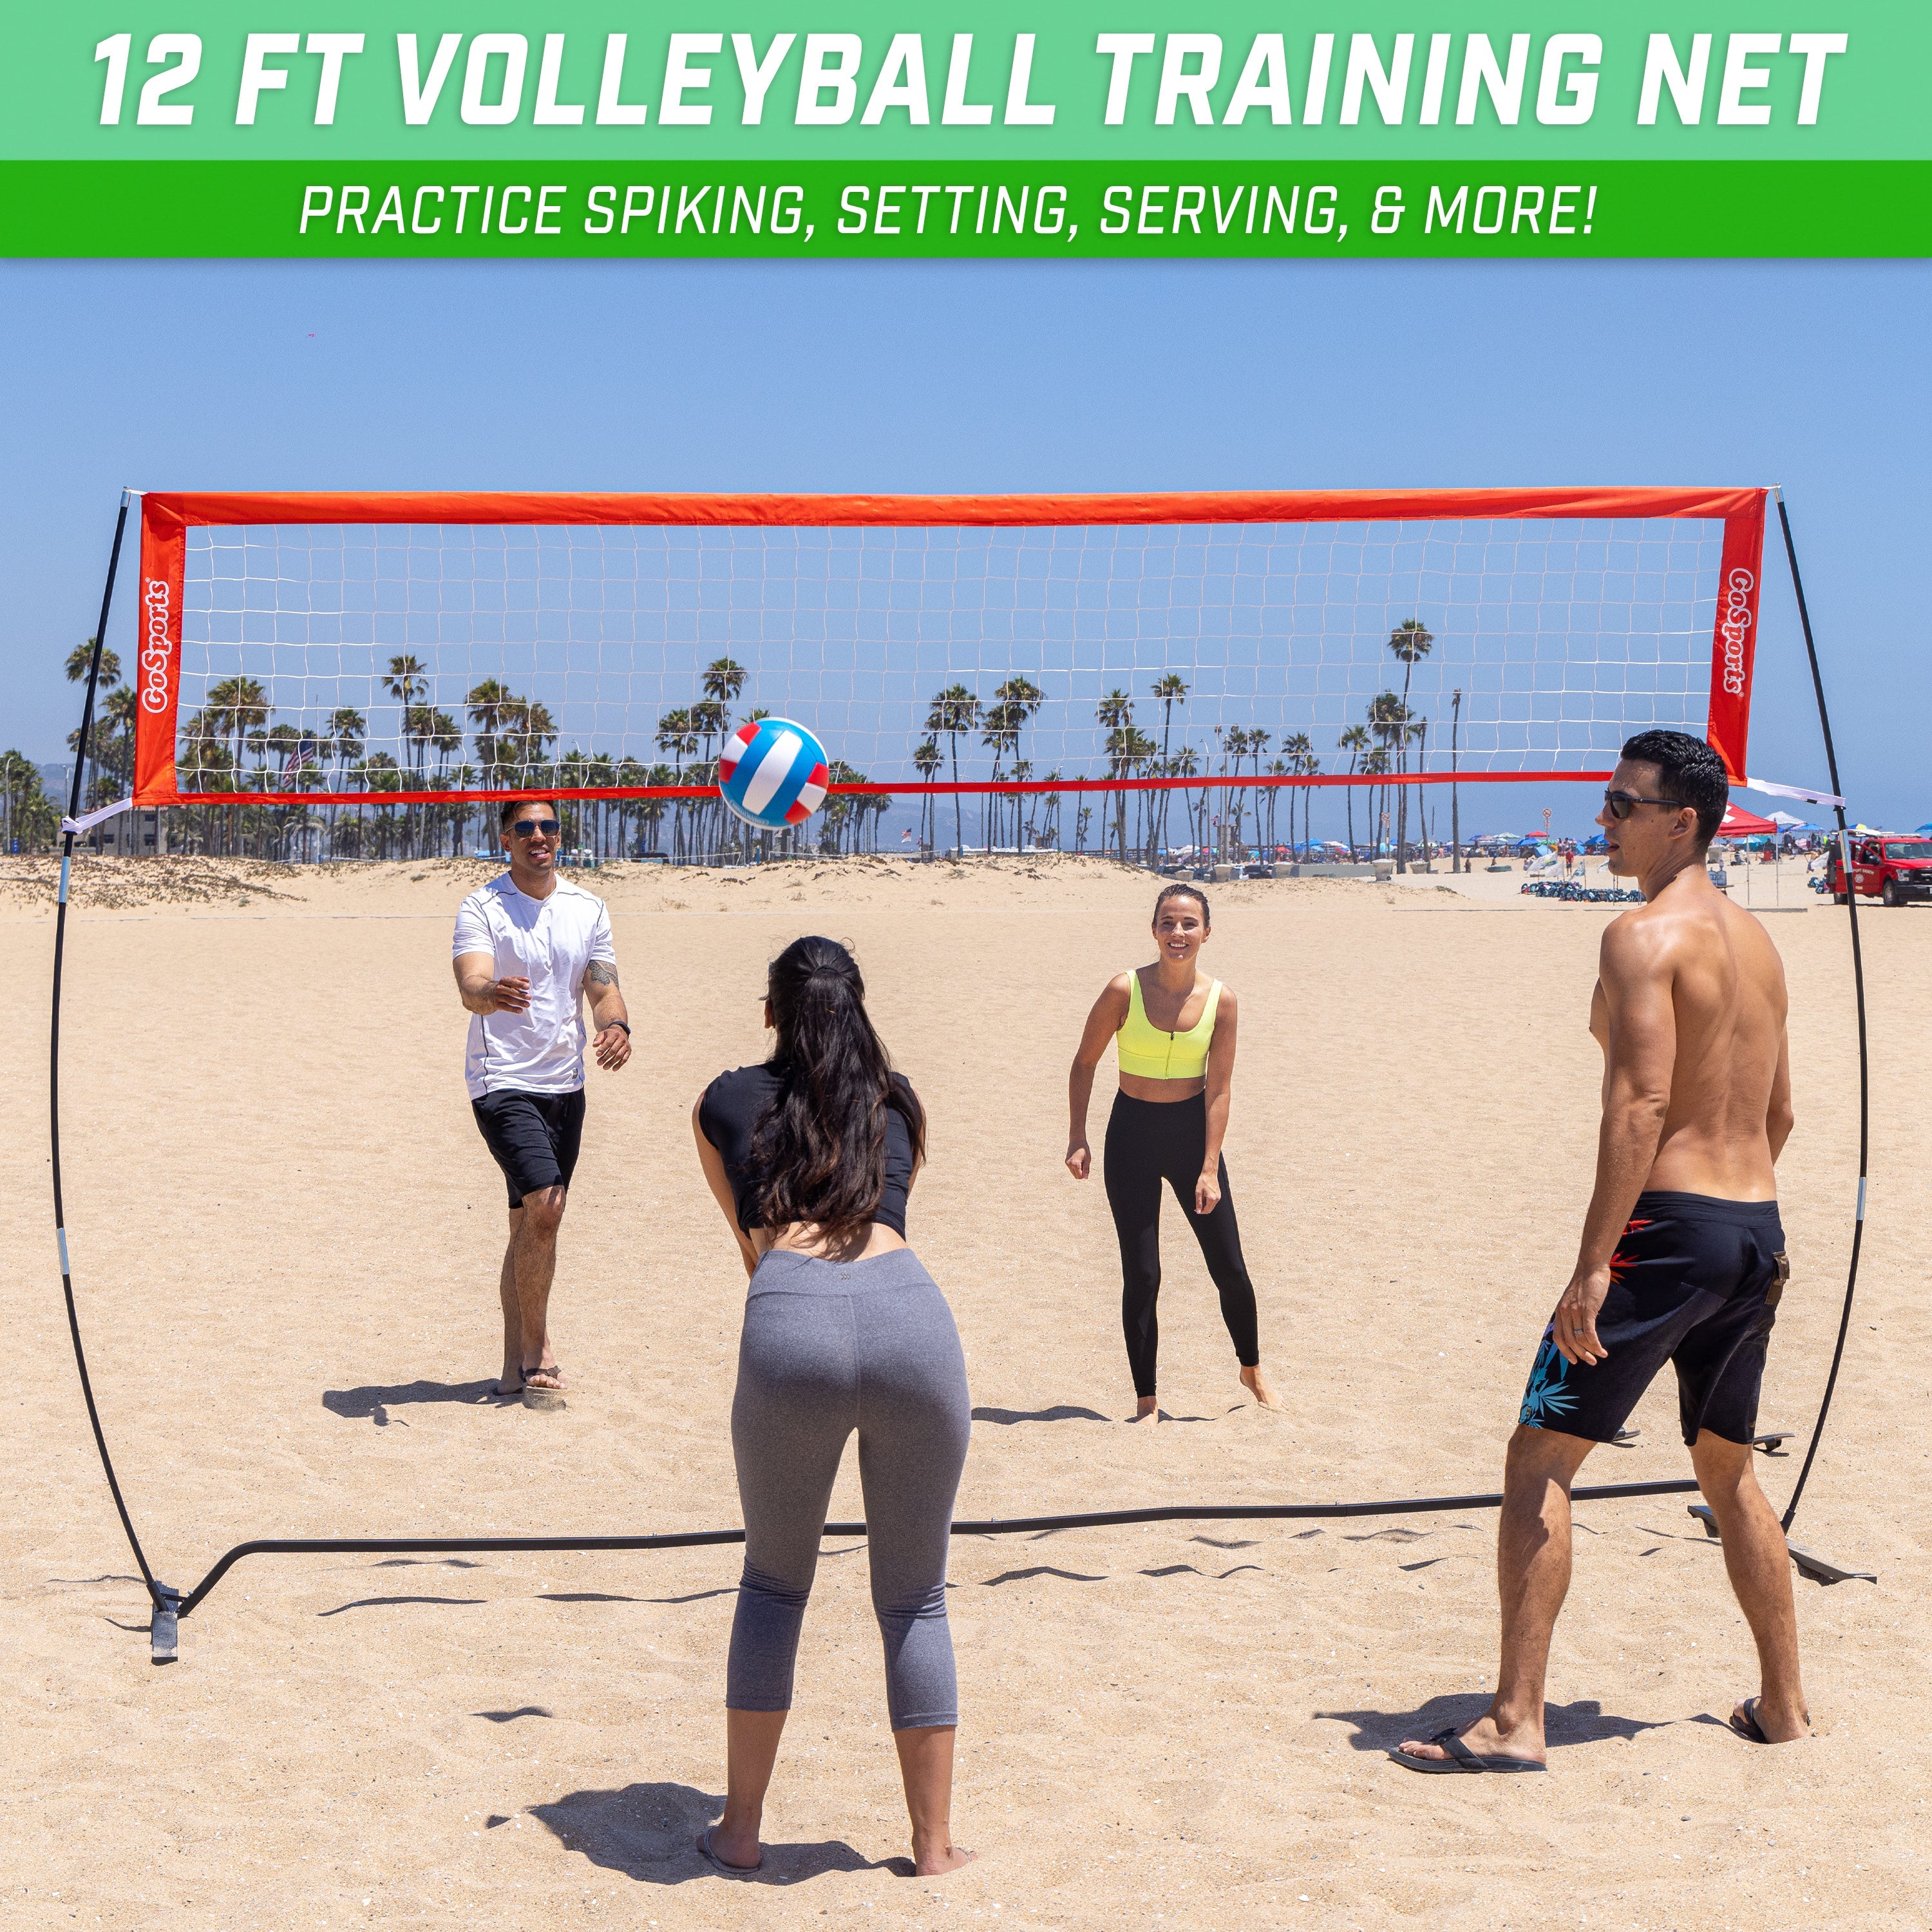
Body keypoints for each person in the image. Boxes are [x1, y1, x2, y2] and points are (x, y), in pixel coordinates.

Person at [1396, 730, 1804, 1775]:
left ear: (1684, 823)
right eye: (1607, 802)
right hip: (1755, 1230)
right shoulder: (1757, 944)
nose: (1603, 820)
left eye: (1623, 806)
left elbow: (1642, 1102)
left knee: (1540, 1453)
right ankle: (1785, 1706)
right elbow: (1782, 1112)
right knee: (1727, 1471)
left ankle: (1515, 1722)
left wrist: (1595, 1265)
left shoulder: (1640, 934)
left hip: (1667, 1232)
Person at [692, 936, 974, 1879]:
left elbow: (751, 1240)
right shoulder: (896, 1099)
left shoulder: (724, 1098)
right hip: (911, 1318)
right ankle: (932, 1847)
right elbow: (886, 1206)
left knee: (775, 1585)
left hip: (792, 1312)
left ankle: (739, 1833)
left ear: (770, 1012)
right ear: (857, 1006)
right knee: (916, 1598)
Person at [1066, 884, 1282, 1424]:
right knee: (1142, 1274)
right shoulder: (1124, 990)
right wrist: (1077, 1136)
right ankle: (1146, 1399)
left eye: (1189, 924)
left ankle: (1252, 1368)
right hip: (1131, 1135)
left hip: (1190, 1137)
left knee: (1229, 1267)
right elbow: (1084, 1063)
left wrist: (1210, 1166)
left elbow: (1220, 1088)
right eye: (1168, 923)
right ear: (1154, 929)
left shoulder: (1221, 1000)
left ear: (1207, 931)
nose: (1178, 933)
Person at [452, 799, 630, 1399]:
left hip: (565, 1086)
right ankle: (539, 1347)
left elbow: (602, 986)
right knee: (547, 1208)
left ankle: (509, 1362)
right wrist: (489, 993)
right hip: (500, 1080)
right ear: (506, 839)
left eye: (548, 826)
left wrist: (616, 1026)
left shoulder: (589, 908)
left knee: (529, 1223)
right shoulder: (482, 906)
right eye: (525, 827)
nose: (539, 835)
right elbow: (471, 984)